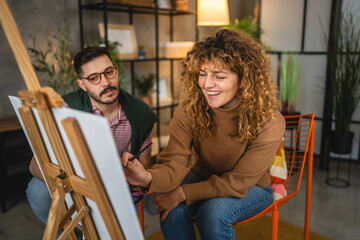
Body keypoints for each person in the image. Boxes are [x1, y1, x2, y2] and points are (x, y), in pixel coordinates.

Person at [121, 28, 285, 240]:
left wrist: (182, 193)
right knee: (171, 211)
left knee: (213, 213)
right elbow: (175, 162)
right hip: (205, 175)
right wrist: (147, 177)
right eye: (202, 74)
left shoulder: (270, 121)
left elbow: (238, 182)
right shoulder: (190, 110)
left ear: (244, 79)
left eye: (219, 76)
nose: (207, 84)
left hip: (252, 186)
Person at [26, 46, 158, 229]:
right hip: (73, 187)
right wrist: (72, 181)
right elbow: (34, 166)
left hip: (119, 192)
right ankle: (70, 233)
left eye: (109, 72)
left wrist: (135, 172)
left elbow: (145, 171)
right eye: (94, 78)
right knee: (37, 190)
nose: (105, 82)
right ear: (82, 85)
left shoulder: (141, 113)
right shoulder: (64, 109)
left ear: (116, 71)